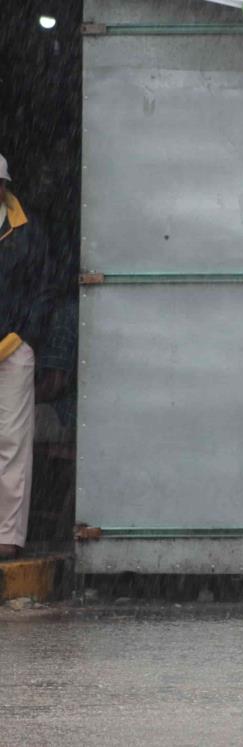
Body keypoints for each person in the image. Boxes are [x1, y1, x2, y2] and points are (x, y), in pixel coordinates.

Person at [0, 154, 55, 560]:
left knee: (12, 441)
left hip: (14, 348)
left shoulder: (28, 231)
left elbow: (43, 290)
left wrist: (22, 336)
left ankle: (6, 536)